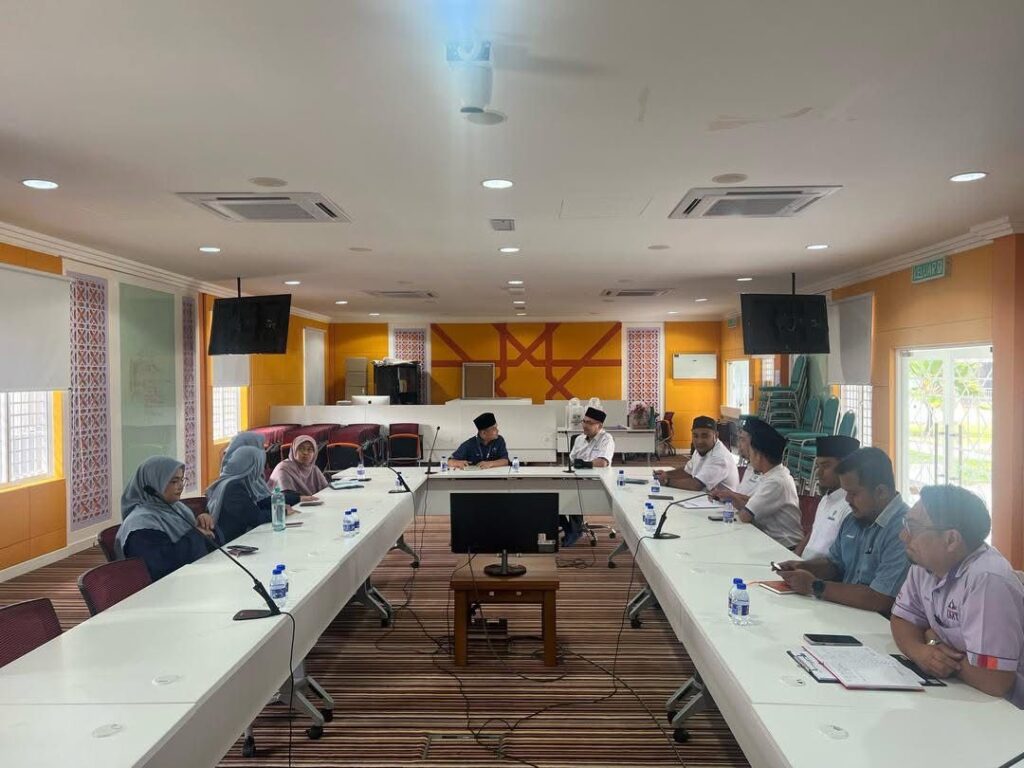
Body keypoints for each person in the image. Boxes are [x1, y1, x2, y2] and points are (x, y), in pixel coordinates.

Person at [891, 485, 1024, 708]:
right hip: (962, 692)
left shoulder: (987, 580)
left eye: (913, 527)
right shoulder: (925, 564)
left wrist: (937, 645)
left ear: (951, 539)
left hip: (1006, 710)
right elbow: (902, 619)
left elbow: (996, 680)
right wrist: (922, 651)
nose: (903, 536)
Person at [777, 447, 910, 613]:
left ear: (881, 492)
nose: (847, 499)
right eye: (846, 492)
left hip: (876, 623)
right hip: (845, 611)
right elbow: (835, 564)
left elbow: (881, 599)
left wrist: (814, 586)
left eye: (853, 493)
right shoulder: (855, 518)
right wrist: (804, 567)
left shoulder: (905, 531)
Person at [116, 457, 215, 580]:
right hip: (163, 586)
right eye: (174, 481)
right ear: (152, 485)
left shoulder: (178, 509)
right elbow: (163, 565)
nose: (181, 486)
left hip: (191, 576)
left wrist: (203, 523)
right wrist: (196, 535)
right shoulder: (140, 524)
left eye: (182, 480)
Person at [716, 418, 802, 549]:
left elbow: (745, 515)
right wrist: (730, 495)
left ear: (759, 455)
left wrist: (732, 497)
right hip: (767, 539)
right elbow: (754, 502)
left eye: (751, 452)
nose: (749, 457)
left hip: (784, 547)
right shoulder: (774, 474)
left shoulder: (776, 481)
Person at [206, 446, 298, 543]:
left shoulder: (241, 481)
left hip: (243, 536)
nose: (262, 469)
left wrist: (296, 499)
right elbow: (255, 518)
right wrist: (282, 512)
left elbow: (261, 502)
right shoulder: (233, 487)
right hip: (232, 542)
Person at [794, 435, 860, 558]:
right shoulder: (825, 499)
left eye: (825, 466)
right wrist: (793, 558)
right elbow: (812, 533)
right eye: (818, 466)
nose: (819, 473)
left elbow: (840, 560)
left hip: (819, 569)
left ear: (845, 467)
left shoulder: (851, 506)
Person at [562, 406, 616, 545]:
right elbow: (571, 460)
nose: (585, 425)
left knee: (570, 495)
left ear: (600, 426)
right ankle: (571, 530)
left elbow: (602, 462)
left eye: (589, 423)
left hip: (596, 483)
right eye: (584, 421)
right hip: (576, 478)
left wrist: (584, 464)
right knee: (553, 494)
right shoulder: (579, 439)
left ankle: (574, 531)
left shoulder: (606, 439)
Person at [658, 416, 738, 492]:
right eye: (695, 436)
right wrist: (666, 474)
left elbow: (696, 485)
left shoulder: (720, 457)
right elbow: (687, 471)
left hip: (721, 501)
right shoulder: (702, 448)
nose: (699, 441)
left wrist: (667, 481)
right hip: (705, 497)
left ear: (716, 435)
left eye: (705, 436)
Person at [710, 418, 760, 506]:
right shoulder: (750, 467)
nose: (738, 445)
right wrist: (725, 496)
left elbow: (754, 507)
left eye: (742, 439)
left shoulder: (769, 476)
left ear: (754, 444)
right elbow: (745, 498)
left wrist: (732, 496)